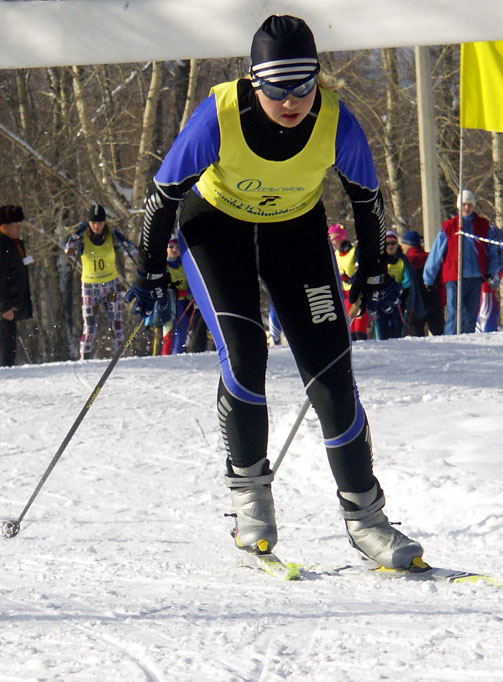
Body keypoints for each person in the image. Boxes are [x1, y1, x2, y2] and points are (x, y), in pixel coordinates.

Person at [125, 15, 422, 570]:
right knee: (245, 352)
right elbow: (164, 193)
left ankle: (367, 520)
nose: (292, 100)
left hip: (296, 236)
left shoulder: (336, 121)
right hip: (217, 232)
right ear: (255, 82)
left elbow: (368, 201)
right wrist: (147, 270)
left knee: (331, 370)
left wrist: (376, 268)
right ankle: (250, 499)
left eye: (304, 85)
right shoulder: (219, 114)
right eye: (278, 88)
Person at [63, 203, 138, 359]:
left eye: (100, 223)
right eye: (93, 223)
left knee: (116, 324)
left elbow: (133, 250)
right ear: (88, 223)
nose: (97, 226)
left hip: (111, 285)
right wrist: (77, 232)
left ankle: (120, 357)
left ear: (105, 222)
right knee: (89, 326)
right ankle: (84, 358)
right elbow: (68, 250)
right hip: (90, 286)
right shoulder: (83, 237)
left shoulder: (112, 234)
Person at [422, 189, 501, 334]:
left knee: (470, 314)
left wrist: (491, 272)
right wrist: (428, 277)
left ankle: (467, 339)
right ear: (459, 206)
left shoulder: (483, 225)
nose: (467, 208)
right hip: (454, 276)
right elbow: (436, 252)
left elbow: (491, 251)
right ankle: (450, 341)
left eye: (469, 205)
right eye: (464, 204)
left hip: (475, 276)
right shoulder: (449, 226)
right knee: (453, 312)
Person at [0, 204, 33, 367]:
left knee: (10, 350)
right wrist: (4, 306)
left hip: (11, 305)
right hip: (3, 308)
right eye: (15, 225)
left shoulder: (13, 243)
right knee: (5, 353)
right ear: (4, 226)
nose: (18, 228)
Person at [329, 223, 370, 341]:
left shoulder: (354, 251)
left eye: (333, 239)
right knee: (349, 331)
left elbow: (361, 269)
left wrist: (351, 278)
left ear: (340, 238)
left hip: (358, 294)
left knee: (359, 330)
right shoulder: (335, 254)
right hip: (345, 295)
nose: (332, 243)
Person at [400, 230, 442, 336]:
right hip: (433, 300)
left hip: (415, 304)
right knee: (441, 335)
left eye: (403, 244)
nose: (402, 248)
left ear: (408, 245)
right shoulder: (429, 258)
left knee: (416, 340)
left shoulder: (406, 260)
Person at [162, 236, 195, 353]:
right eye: (171, 246)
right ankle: (167, 355)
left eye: (177, 247)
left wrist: (191, 291)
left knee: (182, 328)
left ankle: (179, 352)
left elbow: (189, 281)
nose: (174, 249)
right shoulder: (163, 266)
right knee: (169, 329)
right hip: (168, 303)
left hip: (182, 302)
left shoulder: (182, 266)